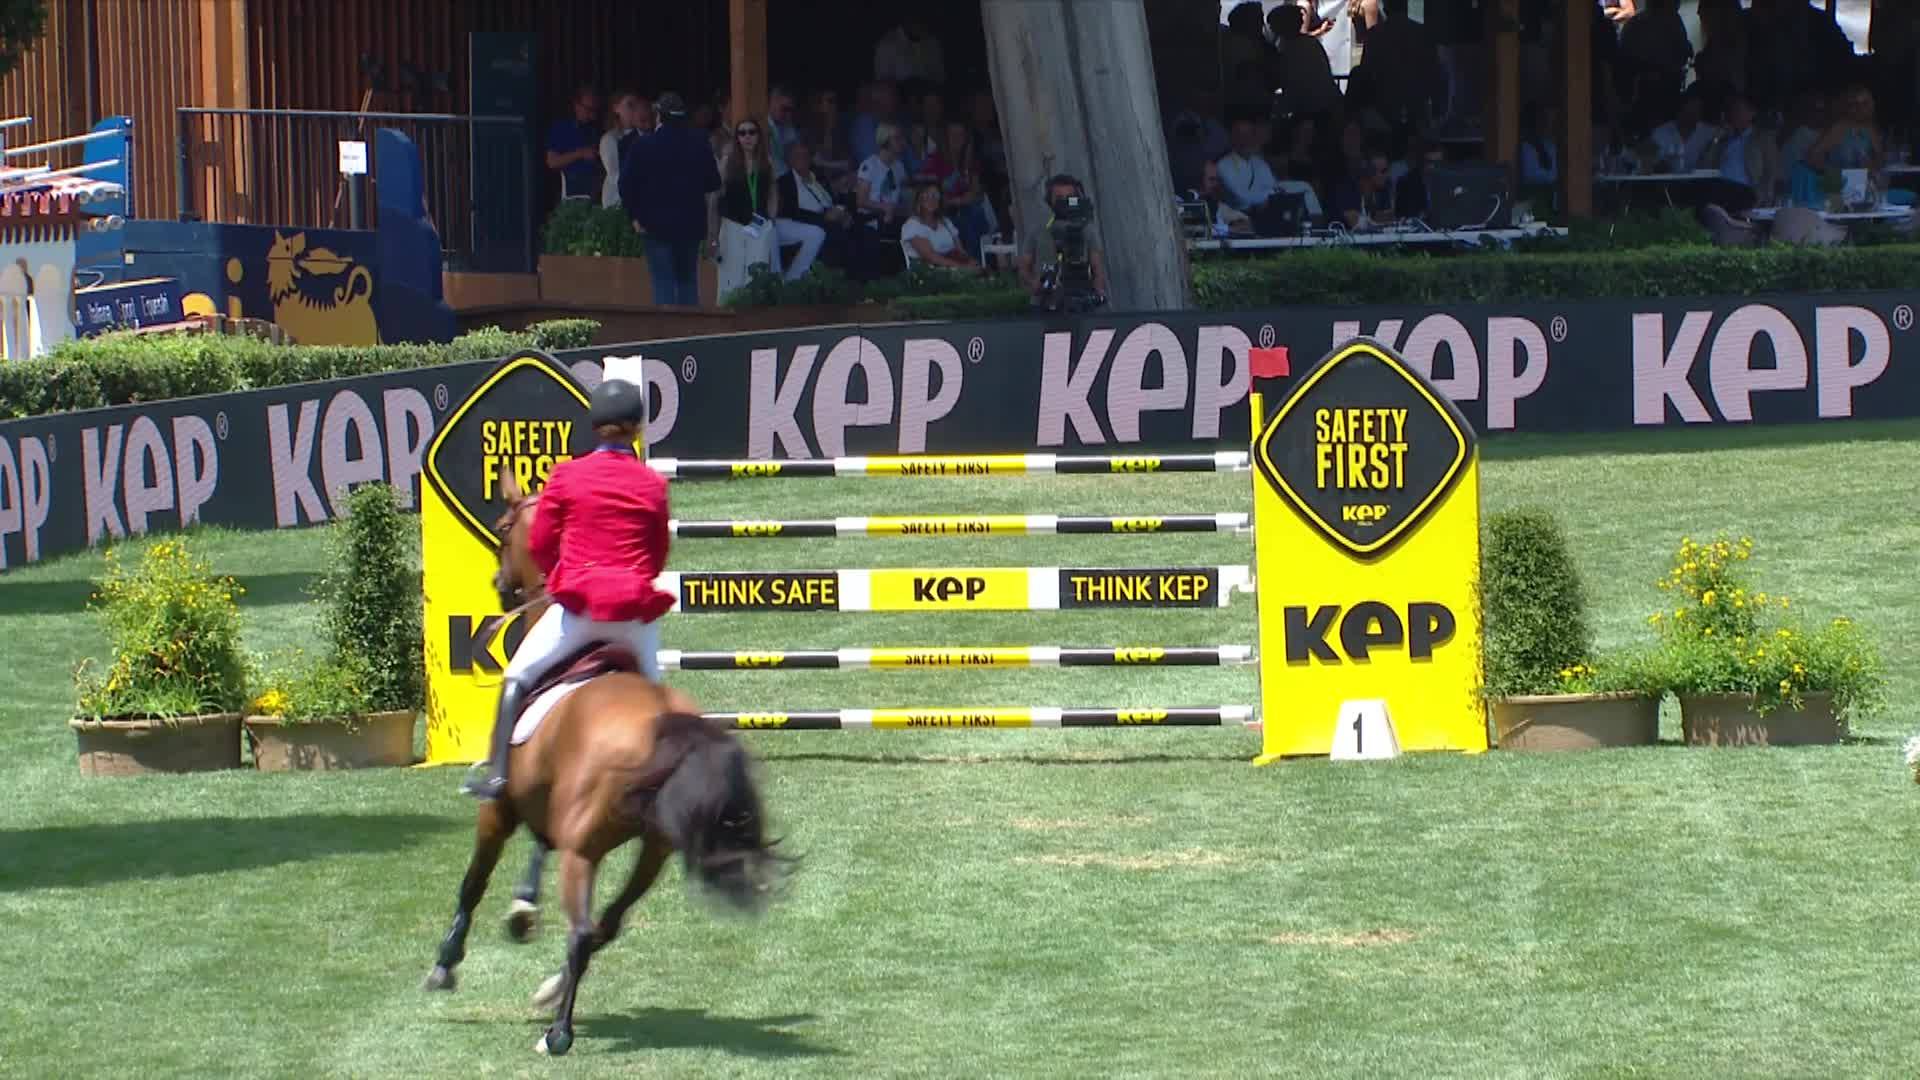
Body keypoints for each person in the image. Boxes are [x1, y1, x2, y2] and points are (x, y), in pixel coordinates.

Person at [464, 376, 673, 802]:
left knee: (516, 677)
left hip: (578, 614)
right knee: (659, 700)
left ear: (595, 426)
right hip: (632, 619)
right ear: (637, 429)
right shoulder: (653, 484)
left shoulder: (567, 476)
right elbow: (656, 555)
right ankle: (667, 783)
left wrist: (561, 575)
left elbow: (540, 543)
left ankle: (499, 778)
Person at [621, 91, 722, 307]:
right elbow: (713, 182)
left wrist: (635, 217)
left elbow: (626, 186)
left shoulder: (643, 145)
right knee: (687, 283)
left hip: (654, 226)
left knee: (662, 283)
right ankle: (689, 337)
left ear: (659, 115)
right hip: (690, 225)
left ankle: (667, 337)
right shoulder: (699, 142)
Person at [715, 117, 781, 300]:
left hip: (758, 223)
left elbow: (773, 192)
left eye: (752, 132)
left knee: (756, 272)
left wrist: (771, 218)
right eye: (742, 133)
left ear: (759, 136)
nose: (747, 137)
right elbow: (717, 193)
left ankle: (753, 315)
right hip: (733, 223)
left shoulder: (767, 162)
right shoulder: (728, 162)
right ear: (736, 137)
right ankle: (728, 315)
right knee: (732, 275)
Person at [1016, 173, 1109, 300]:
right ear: (1049, 200)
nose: (1064, 202)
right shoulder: (1038, 230)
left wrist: (1098, 291)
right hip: (1045, 302)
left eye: (1069, 198)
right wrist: (1035, 284)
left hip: (1082, 300)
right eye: (1059, 198)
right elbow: (1024, 269)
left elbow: (1098, 269)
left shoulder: (1087, 229)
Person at [899, 182, 978, 269]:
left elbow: (960, 251)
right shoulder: (912, 226)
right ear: (919, 199)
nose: (932, 199)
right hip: (929, 270)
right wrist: (963, 267)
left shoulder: (946, 222)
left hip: (954, 265)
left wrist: (969, 261)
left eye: (936, 195)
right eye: (927, 195)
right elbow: (931, 257)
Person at [546, 84, 602, 203]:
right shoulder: (561, 128)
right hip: (573, 192)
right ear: (576, 105)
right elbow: (552, 162)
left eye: (594, 110)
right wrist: (580, 153)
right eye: (588, 109)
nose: (591, 114)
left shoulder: (594, 129)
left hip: (595, 189)